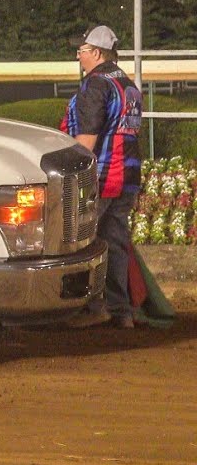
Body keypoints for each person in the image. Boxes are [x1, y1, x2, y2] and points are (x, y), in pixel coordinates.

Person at [61, 25, 142, 329]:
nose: (78, 56)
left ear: (96, 52)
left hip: (102, 177)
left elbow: (87, 141)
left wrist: (70, 181)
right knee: (116, 243)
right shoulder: (128, 84)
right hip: (128, 178)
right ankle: (121, 311)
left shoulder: (95, 84)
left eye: (81, 51)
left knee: (83, 244)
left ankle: (91, 307)